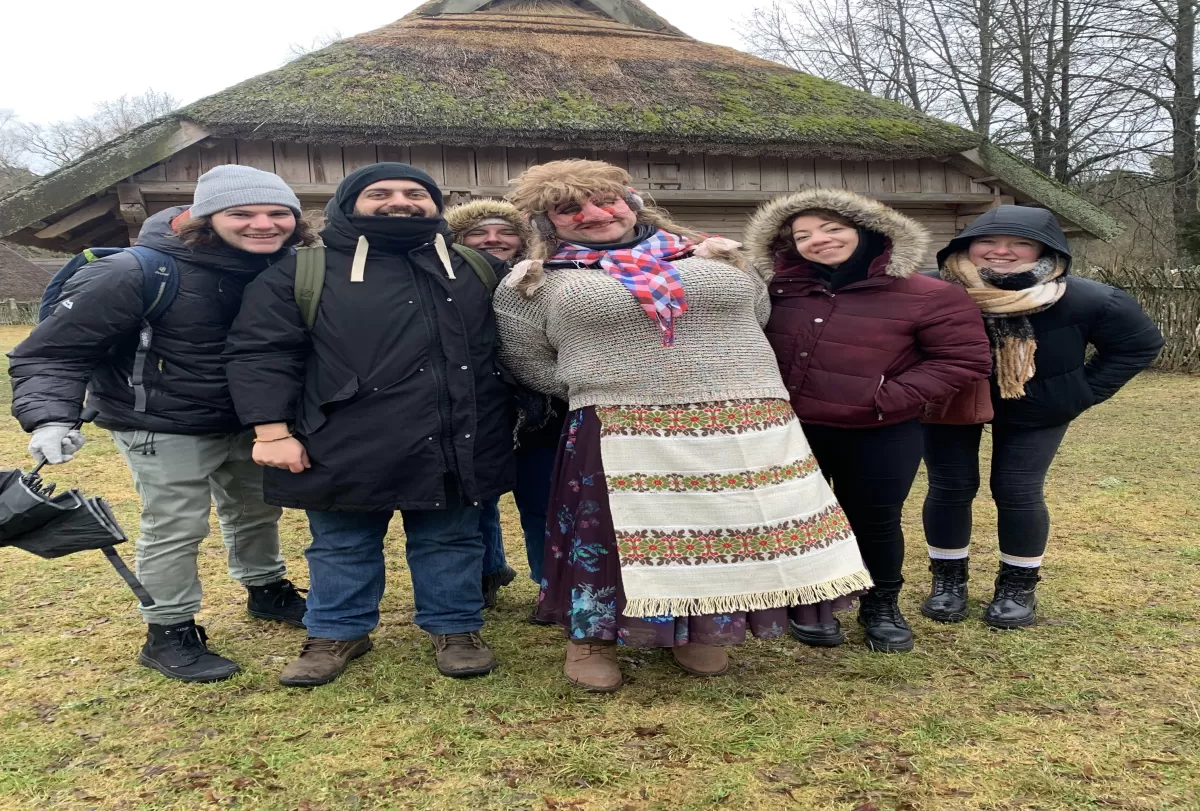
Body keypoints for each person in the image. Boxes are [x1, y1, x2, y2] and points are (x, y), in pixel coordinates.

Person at [494, 160, 871, 693]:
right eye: (571, 207)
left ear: (634, 201)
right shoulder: (537, 281)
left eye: (608, 201)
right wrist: (601, 381)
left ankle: (698, 626)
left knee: (724, 529)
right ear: (548, 221)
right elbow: (525, 354)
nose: (595, 215)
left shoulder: (712, 256)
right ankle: (593, 638)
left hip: (740, 414)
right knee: (611, 535)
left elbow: (756, 312)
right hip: (621, 419)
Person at [8, 165, 311, 682]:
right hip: (161, 422)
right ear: (204, 215)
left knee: (257, 511)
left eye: (277, 213)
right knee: (175, 526)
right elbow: (54, 351)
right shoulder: (132, 271)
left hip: (253, 420)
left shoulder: (291, 267)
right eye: (242, 213)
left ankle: (266, 588)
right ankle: (168, 629)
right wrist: (52, 417)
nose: (263, 224)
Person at [223, 163, 514, 687]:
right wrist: (271, 431)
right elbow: (260, 353)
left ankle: (455, 627)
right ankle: (337, 631)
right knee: (341, 543)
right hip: (340, 437)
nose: (399, 201)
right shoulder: (301, 271)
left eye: (414, 193)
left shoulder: (470, 265)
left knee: (451, 539)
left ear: (435, 205)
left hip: (453, 435)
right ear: (348, 203)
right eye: (380, 193)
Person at [743, 188, 993, 653]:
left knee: (874, 521)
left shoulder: (929, 295)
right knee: (800, 520)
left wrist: (887, 397)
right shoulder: (774, 292)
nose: (819, 240)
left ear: (867, 230)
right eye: (803, 235)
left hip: (879, 430)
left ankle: (881, 605)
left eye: (833, 228)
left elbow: (964, 360)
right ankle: (813, 604)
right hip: (792, 431)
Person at [920, 206, 1163, 628]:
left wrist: (1081, 392)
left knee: (1017, 491)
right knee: (949, 487)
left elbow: (1138, 345)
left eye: (1020, 243)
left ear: (1046, 250)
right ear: (965, 247)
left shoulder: (1088, 298)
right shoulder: (927, 289)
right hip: (950, 400)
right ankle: (948, 582)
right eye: (988, 242)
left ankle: (1018, 587)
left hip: (1039, 405)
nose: (1002, 252)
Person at [446, 200, 562, 621]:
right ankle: (486, 572)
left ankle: (550, 586)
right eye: (479, 233)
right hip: (474, 405)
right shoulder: (448, 279)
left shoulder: (551, 277)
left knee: (541, 501)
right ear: (458, 240)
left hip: (542, 406)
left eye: (504, 231)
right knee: (475, 499)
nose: (492, 239)